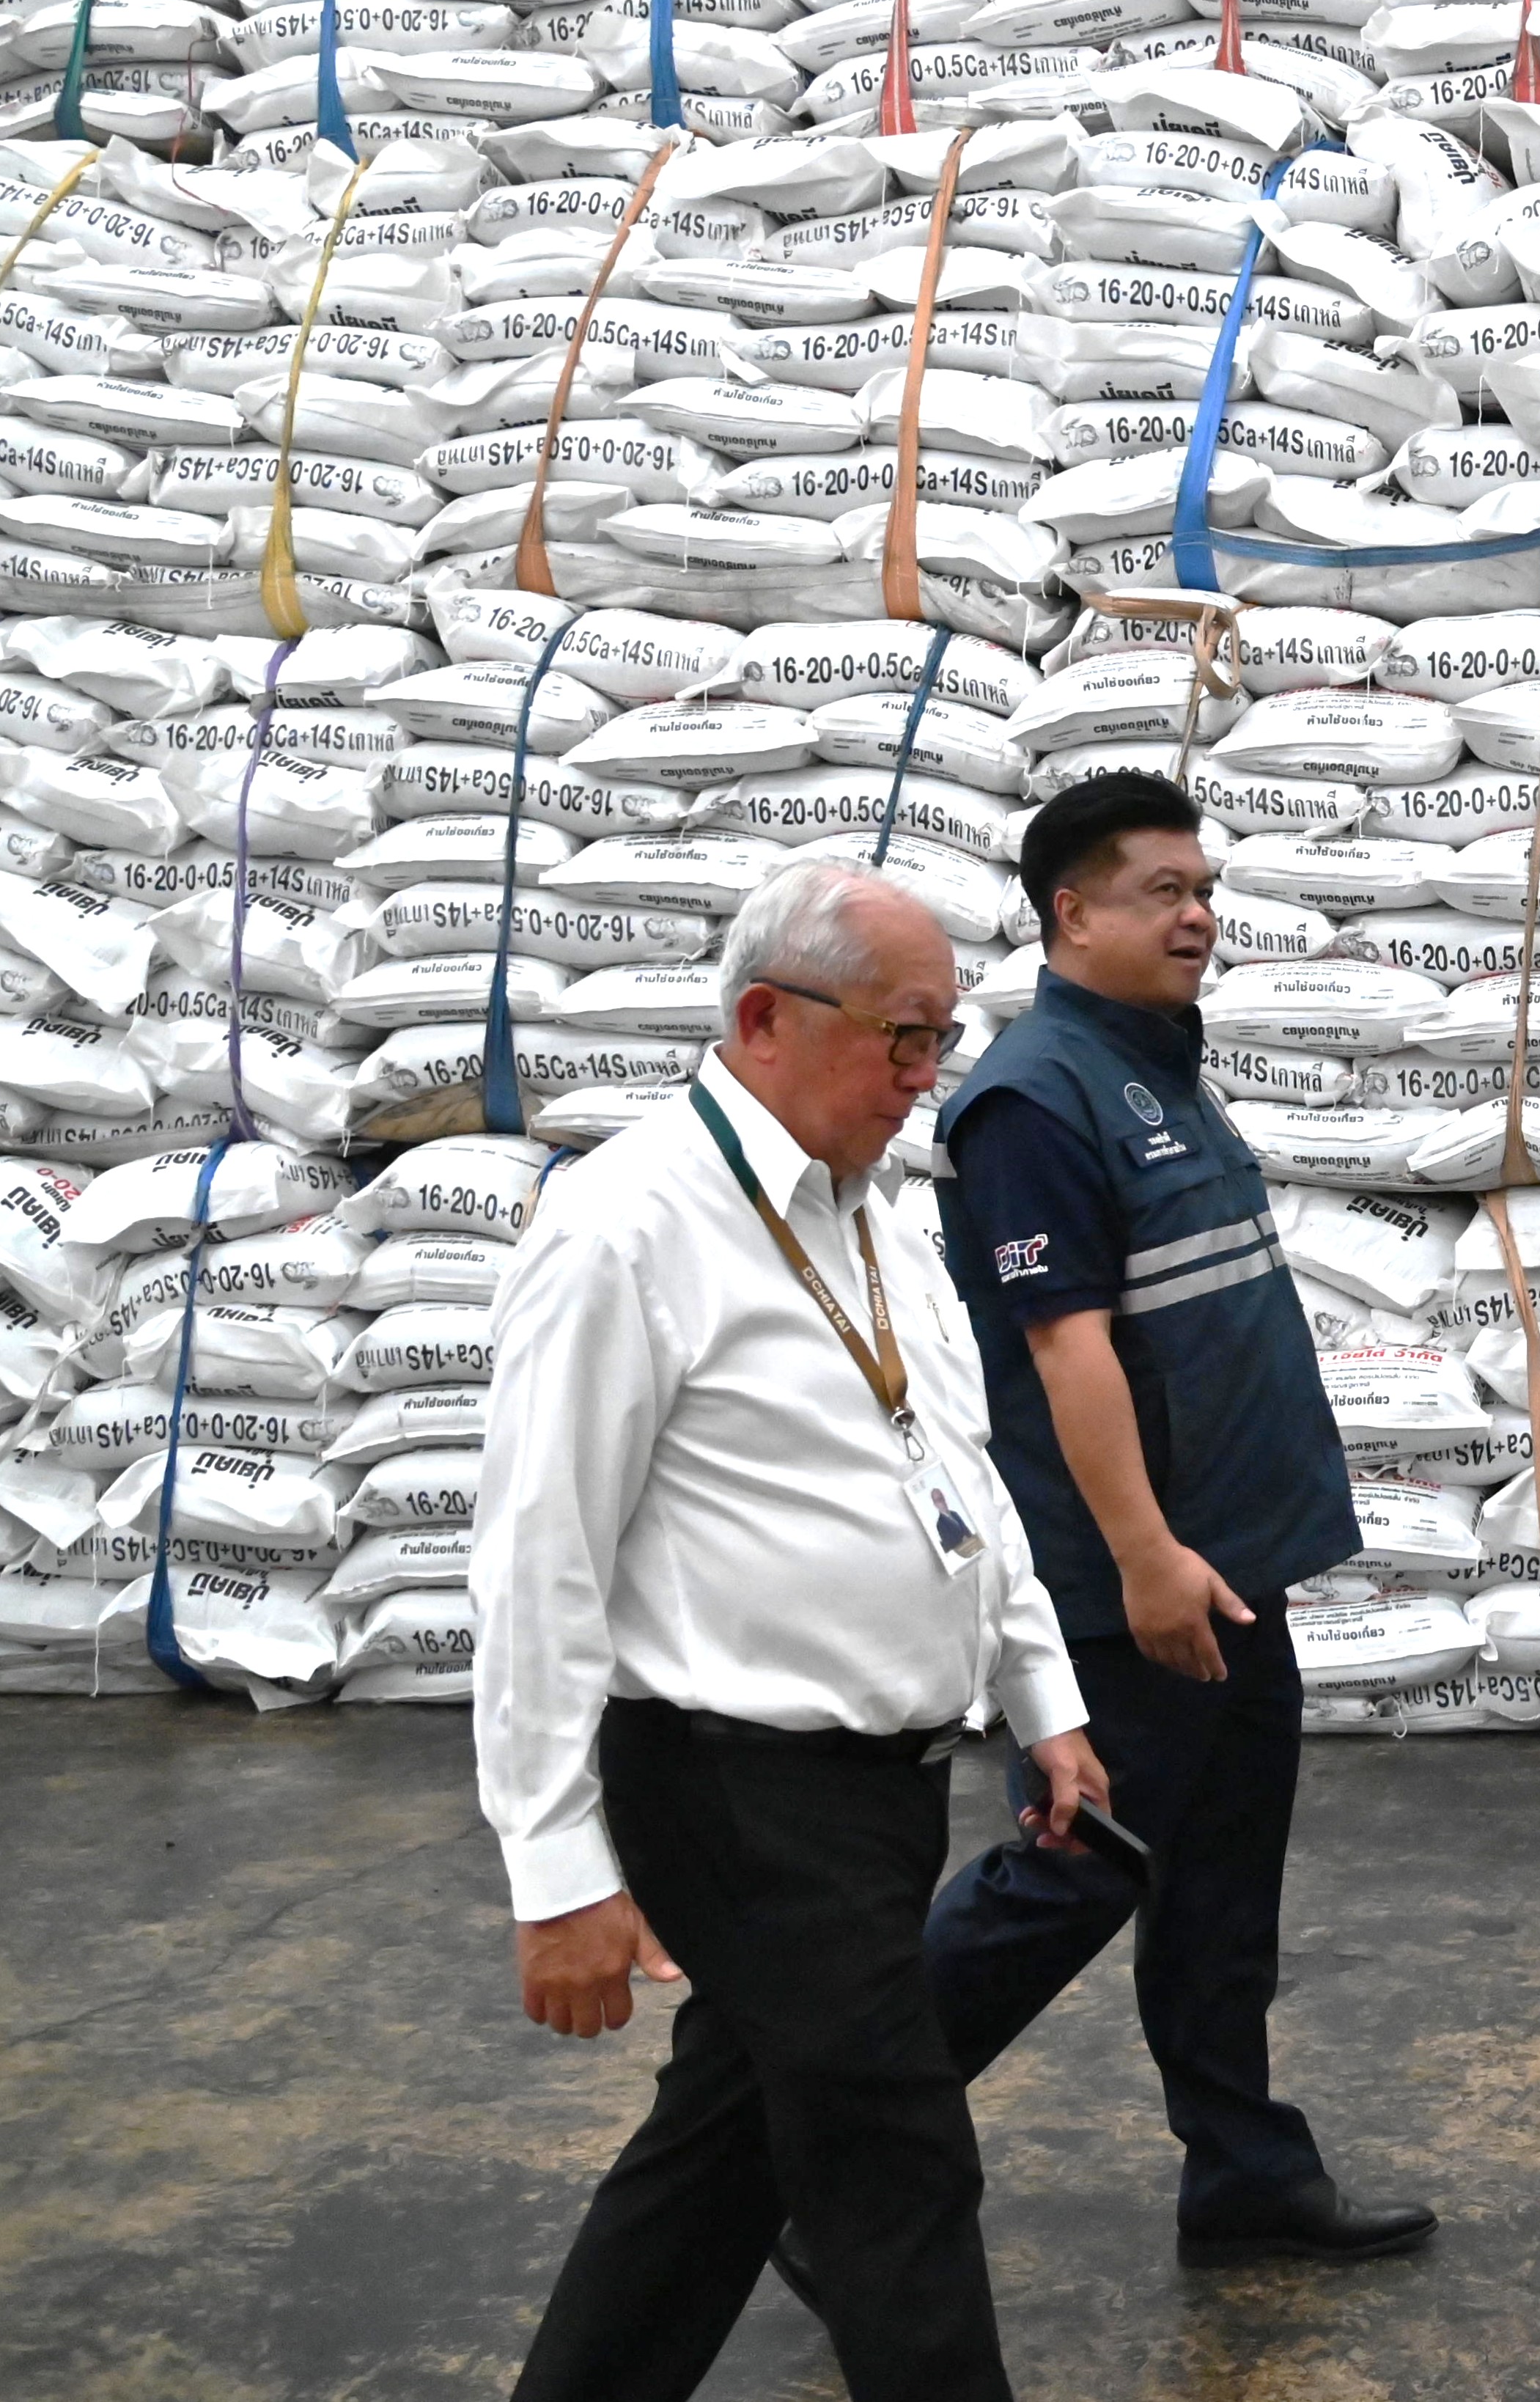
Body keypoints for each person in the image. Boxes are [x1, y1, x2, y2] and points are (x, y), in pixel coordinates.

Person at [475, 860, 1110, 2402]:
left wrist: (1043, 1694)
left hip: (885, 1790)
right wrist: (558, 1876)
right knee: (897, 2168)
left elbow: (958, 1476)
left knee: (722, 2156)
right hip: (737, 1789)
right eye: (901, 1039)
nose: (922, 1079)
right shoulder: (626, 1228)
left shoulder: (884, 1220)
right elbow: (536, 1561)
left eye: (937, 1043)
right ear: (765, 1015)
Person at [922, 768, 1436, 2263]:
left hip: (1232, 1563)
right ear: (1071, 912)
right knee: (1071, 1872)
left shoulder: (1153, 1059)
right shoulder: (1031, 1098)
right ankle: (816, 2147)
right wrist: (1145, 1557)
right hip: (1130, 1577)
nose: (1199, 915)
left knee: (1219, 1884)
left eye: (1206, 890)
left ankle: (1244, 2170)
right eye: (1164, 891)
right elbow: (1064, 1348)